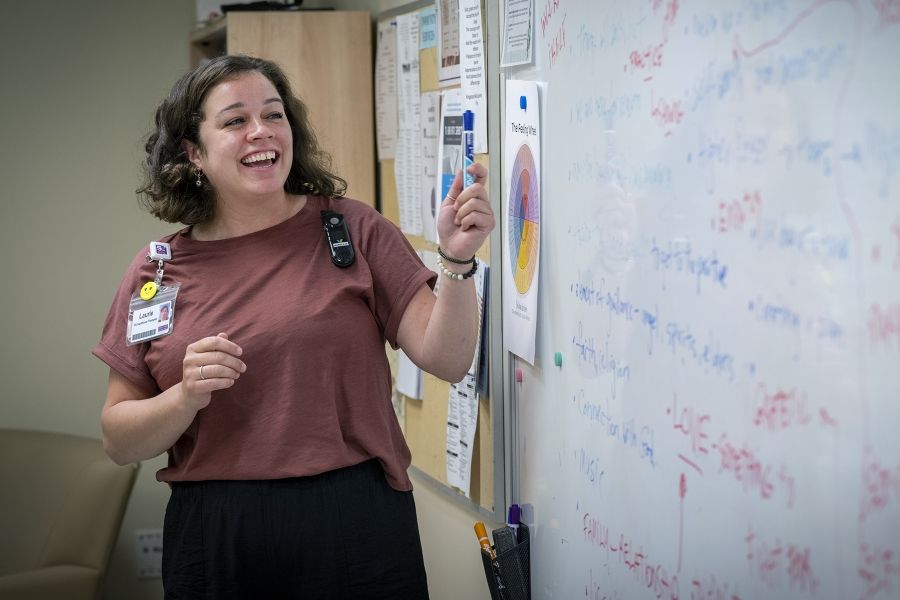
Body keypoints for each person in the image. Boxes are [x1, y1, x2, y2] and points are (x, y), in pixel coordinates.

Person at [93, 54, 494, 599]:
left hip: (353, 518)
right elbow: (118, 439)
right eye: (235, 120)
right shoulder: (157, 268)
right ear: (194, 153)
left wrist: (456, 259)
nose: (261, 132)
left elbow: (447, 357)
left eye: (274, 114)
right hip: (214, 532)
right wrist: (183, 397)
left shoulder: (351, 228)